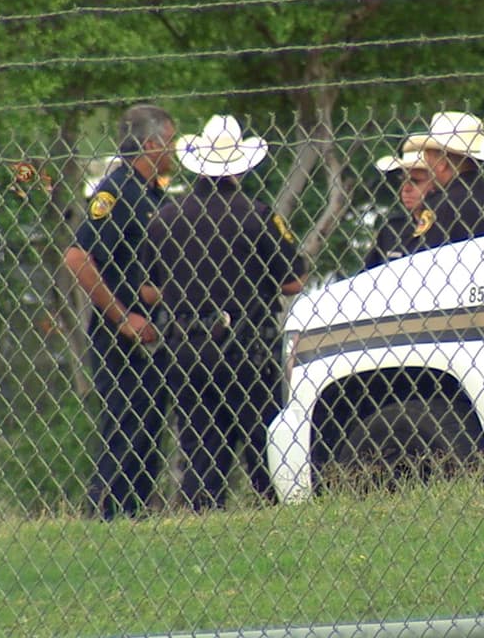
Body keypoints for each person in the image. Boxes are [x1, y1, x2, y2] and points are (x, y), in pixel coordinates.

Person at [142, 113, 308, 511]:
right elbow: (294, 281)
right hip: (249, 344)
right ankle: (273, 509)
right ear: (241, 167)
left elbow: (148, 291)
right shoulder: (258, 214)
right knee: (261, 440)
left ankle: (202, 514)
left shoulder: (164, 218)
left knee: (199, 445)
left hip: (186, 345)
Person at [64, 103, 178, 520]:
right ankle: (104, 514)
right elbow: (78, 258)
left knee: (149, 429)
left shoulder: (154, 194)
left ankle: (135, 515)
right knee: (124, 427)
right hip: (120, 336)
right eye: (170, 141)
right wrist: (122, 315)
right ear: (150, 144)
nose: (175, 151)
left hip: (154, 332)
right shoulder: (118, 192)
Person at [394, 111, 484, 255]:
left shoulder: (443, 207)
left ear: (442, 162)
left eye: (427, 157)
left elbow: (418, 258)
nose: (426, 165)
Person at [362, 152, 434, 269]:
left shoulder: (448, 224)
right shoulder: (392, 229)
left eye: (415, 181)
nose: (406, 189)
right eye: (403, 180)